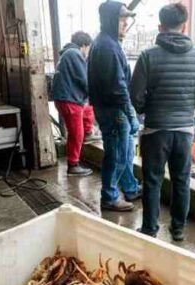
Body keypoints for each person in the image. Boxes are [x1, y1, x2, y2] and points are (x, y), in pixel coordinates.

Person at [131, 3, 195, 240]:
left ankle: (149, 229)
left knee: (153, 181)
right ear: (184, 26)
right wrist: (187, 108)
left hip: (156, 130)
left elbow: (135, 95)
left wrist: (150, 109)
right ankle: (177, 230)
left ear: (160, 26)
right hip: (185, 131)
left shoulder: (147, 56)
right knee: (181, 181)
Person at [88, 1, 141, 212]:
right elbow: (118, 87)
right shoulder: (108, 47)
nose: (125, 22)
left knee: (125, 152)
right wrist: (131, 114)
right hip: (114, 110)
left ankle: (130, 187)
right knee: (117, 155)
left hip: (109, 108)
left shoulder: (105, 42)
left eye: (127, 18)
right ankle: (109, 197)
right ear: (110, 19)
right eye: (122, 18)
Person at [52, 31, 97, 177]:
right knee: (76, 133)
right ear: (84, 46)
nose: (88, 52)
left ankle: (88, 133)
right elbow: (84, 80)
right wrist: (97, 95)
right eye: (88, 48)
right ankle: (73, 165)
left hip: (64, 98)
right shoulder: (74, 54)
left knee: (77, 129)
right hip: (69, 99)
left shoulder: (66, 53)